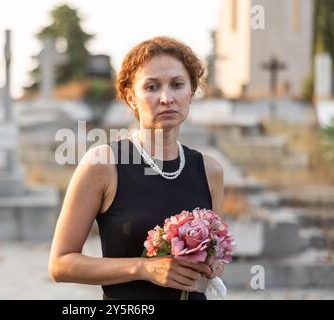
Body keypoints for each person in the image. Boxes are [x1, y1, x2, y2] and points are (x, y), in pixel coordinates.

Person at [49, 36, 225, 300]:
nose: (166, 98)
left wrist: (212, 264)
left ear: (191, 92)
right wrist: (143, 268)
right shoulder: (103, 164)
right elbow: (60, 264)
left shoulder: (210, 171)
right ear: (131, 97)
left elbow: (215, 254)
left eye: (177, 85)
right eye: (152, 87)